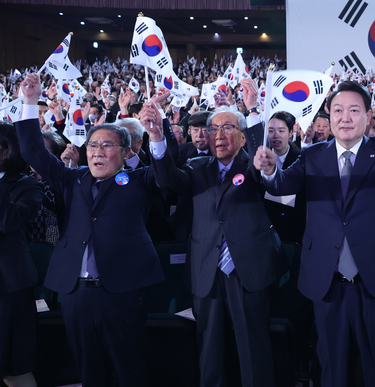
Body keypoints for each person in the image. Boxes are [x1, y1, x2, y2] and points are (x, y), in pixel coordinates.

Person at [254, 81, 375, 387]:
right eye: (338, 110)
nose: (345, 117)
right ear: (329, 115)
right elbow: (282, 186)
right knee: (332, 366)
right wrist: (269, 171)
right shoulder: (311, 155)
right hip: (328, 277)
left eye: (353, 110)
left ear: (369, 116)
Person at [15, 73, 167, 387]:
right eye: (93, 145)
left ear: (126, 153)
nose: (97, 151)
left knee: (131, 371)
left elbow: (167, 175)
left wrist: (157, 134)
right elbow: (33, 152)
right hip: (76, 293)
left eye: (107, 146)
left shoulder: (140, 181)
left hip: (121, 291)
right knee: (88, 372)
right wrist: (29, 102)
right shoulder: (72, 179)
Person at [145, 80, 283, 387]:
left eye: (227, 128)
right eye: (213, 128)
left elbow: (266, 159)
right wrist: (156, 135)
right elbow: (167, 180)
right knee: (209, 349)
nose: (218, 135)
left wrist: (253, 107)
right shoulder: (196, 168)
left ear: (242, 135)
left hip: (248, 269)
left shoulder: (254, 166)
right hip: (205, 270)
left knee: (253, 349)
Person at [0, 122, 43, 387]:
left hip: (9, 286)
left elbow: (8, 222)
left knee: (14, 366)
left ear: (8, 150)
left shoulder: (27, 185)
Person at [263, 111, 305, 244]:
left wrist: (268, 194)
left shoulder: (301, 159)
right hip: (266, 231)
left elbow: (301, 198)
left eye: (281, 131)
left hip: (294, 232)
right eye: (271, 131)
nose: (275, 136)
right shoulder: (261, 159)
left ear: (291, 133)